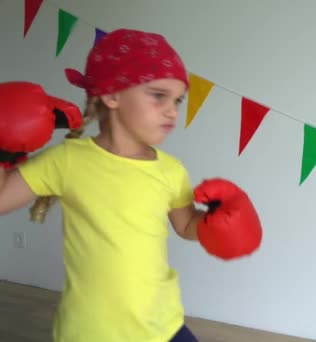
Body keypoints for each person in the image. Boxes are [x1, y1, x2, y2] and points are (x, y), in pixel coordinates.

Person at [0, 28, 205, 341]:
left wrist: (220, 220)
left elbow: (187, 224)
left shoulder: (171, 170)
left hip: (163, 325)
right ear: (111, 95)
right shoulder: (68, 160)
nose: (172, 111)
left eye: (178, 100)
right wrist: (3, 148)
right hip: (92, 332)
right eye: (158, 95)